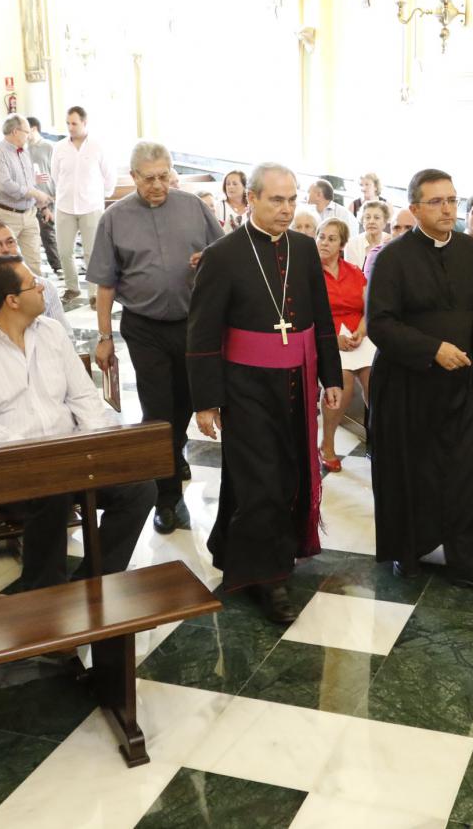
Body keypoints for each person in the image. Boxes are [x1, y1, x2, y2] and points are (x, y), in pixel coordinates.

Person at [187, 163, 342, 622]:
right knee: (261, 483)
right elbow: (202, 333)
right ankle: (267, 579)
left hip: (296, 380)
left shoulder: (303, 248)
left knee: (288, 474)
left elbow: (321, 319)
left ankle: (249, 553)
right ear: (250, 199)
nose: (287, 209)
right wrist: (205, 401)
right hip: (246, 387)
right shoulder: (223, 255)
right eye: (277, 200)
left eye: (293, 199)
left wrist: (331, 377)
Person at [0, 256, 157, 589]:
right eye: (34, 283)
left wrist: (98, 449)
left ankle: (89, 583)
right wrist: (46, 462)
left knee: (139, 488)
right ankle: (46, 594)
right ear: (12, 301)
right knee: (51, 493)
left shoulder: (51, 331)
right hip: (4, 467)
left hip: (70, 459)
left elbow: (84, 398)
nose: (43, 286)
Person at [367, 168, 473, 591]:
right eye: (436, 202)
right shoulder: (393, 257)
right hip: (409, 387)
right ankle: (406, 553)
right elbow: (380, 324)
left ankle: (466, 559)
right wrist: (432, 349)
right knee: (412, 473)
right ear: (414, 208)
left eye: (451, 200)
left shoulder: (469, 250)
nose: (448, 209)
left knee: (466, 471)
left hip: (462, 384)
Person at [89, 142, 222, 534]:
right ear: (133, 177)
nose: (158, 185)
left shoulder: (194, 207)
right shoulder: (113, 218)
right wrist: (104, 336)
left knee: (185, 401)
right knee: (158, 409)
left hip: (192, 325)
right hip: (144, 326)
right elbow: (105, 285)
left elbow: (226, 254)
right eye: (149, 178)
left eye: (164, 176)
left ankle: (175, 444)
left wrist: (208, 260)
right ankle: (166, 498)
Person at [316, 218, 374, 472]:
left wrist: (361, 332)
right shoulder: (310, 273)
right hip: (327, 338)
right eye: (321, 237)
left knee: (377, 378)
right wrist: (333, 340)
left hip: (357, 336)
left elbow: (368, 309)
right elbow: (309, 314)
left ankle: (379, 441)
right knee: (343, 380)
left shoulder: (353, 271)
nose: (324, 243)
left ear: (342, 244)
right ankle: (326, 444)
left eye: (331, 238)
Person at [51, 106, 114, 304]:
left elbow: (108, 175)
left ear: (85, 123)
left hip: (91, 207)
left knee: (91, 252)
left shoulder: (98, 146)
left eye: (74, 123)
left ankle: (94, 293)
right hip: (64, 206)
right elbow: (55, 176)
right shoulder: (59, 147)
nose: (70, 127)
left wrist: (100, 196)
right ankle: (72, 288)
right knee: (64, 250)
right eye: (68, 123)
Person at [0, 115, 50, 274]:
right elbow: (6, 185)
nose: (28, 136)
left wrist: (42, 206)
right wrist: (34, 193)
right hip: (5, 214)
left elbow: (29, 182)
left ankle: (34, 295)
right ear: (15, 131)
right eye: (26, 132)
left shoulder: (24, 152)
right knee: (5, 262)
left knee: (34, 261)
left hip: (29, 214)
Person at [25, 117, 62, 278]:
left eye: (26, 130)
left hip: (49, 195)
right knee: (33, 235)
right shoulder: (23, 149)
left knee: (49, 232)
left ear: (33, 129)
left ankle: (58, 266)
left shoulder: (49, 147)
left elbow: (57, 172)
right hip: (31, 196)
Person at [362, 206, 416, 280]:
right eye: (396, 228)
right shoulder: (376, 255)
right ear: (390, 230)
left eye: (408, 227)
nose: (401, 233)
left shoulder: (428, 253)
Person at [345, 200, 389, 267]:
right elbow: (351, 274)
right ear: (362, 221)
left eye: (376, 218)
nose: (371, 221)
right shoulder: (351, 244)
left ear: (385, 222)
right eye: (367, 217)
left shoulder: (390, 242)